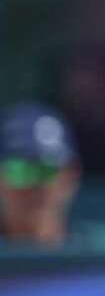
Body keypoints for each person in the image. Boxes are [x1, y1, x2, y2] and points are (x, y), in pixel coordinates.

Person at [0, 102, 81, 247]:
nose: (34, 185)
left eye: (45, 170)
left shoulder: (100, 263)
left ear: (70, 176)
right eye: (21, 170)